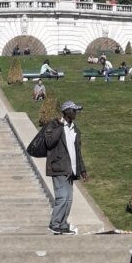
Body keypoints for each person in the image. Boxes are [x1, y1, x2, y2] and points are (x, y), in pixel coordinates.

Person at [43, 100, 87, 235]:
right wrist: (61, 127)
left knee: (68, 199)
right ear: (67, 111)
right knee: (62, 197)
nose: (76, 113)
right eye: (74, 111)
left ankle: (62, 224)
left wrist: (83, 169)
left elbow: (77, 152)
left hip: (71, 170)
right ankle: (54, 223)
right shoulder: (54, 125)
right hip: (59, 167)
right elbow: (49, 142)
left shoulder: (75, 130)